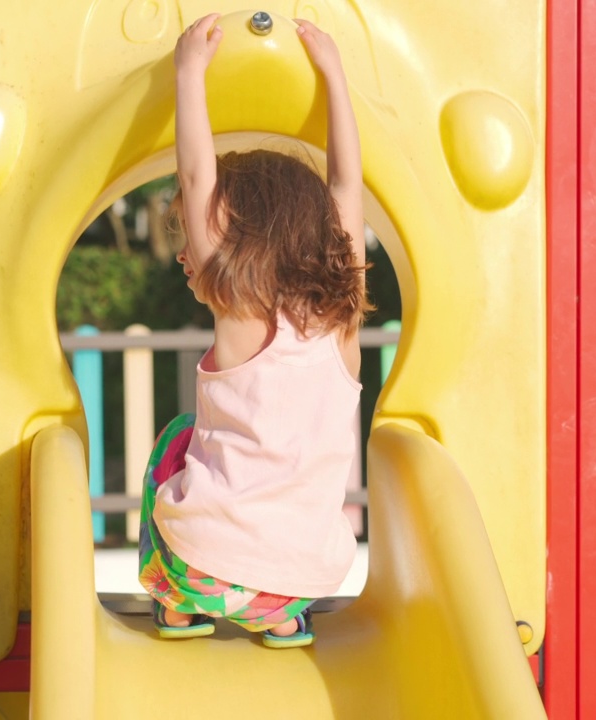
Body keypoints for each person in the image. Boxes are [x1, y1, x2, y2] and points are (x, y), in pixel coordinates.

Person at [136, 12, 371, 649]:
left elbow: (194, 177)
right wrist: (336, 77)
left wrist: (190, 75)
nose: (188, 251)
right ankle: (281, 624)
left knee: (177, 438)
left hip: (202, 567)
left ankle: (176, 605)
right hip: (298, 582)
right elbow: (347, 186)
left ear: (238, 239)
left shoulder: (240, 309)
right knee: (276, 582)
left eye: (194, 232)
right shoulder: (342, 322)